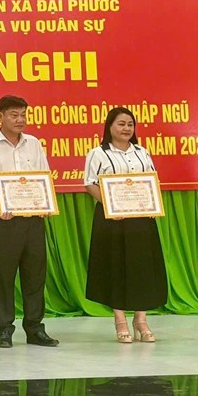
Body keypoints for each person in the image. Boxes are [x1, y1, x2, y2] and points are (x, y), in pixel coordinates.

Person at [0, 95, 59, 349]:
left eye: (23, 115)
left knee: (35, 275)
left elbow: (44, 176)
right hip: (5, 221)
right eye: (14, 115)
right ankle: (4, 329)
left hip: (33, 220)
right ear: (0, 116)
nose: (20, 120)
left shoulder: (34, 144)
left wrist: (45, 202)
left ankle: (34, 328)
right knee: (4, 275)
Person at [83, 107, 167, 343]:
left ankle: (141, 320)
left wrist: (151, 205)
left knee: (143, 268)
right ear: (109, 126)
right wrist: (111, 205)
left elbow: (151, 182)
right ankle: (120, 320)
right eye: (121, 124)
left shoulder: (142, 152)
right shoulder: (98, 153)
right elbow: (89, 183)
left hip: (141, 219)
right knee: (115, 266)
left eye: (130, 124)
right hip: (112, 220)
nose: (126, 128)